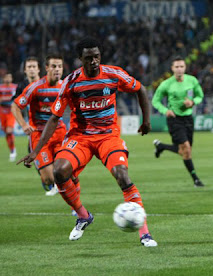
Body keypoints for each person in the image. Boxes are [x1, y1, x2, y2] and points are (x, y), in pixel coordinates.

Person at [17, 37, 157, 247]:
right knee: (59, 172)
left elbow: (140, 89)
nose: (94, 61)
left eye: (97, 56)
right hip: (80, 137)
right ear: (80, 58)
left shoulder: (113, 74)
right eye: (89, 58)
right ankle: (83, 216)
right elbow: (54, 118)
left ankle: (145, 234)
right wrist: (36, 151)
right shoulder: (71, 82)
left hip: (108, 136)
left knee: (122, 175)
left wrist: (146, 121)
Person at [12, 54, 65, 197]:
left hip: (59, 132)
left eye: (59, 66)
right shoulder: (31, 87)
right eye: (54, 66)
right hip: (38, 132)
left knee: (64, 171)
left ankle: (77, 209)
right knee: (50, 177)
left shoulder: (64, 87)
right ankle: (46, 176)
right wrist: (23, 125)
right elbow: (15, 105)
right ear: (47, 68)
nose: (57, 69)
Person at [152, 56, 205, 187]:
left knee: (185, 151)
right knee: (186, 148)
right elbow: (155, 101)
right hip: (174, 119)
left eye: (181, 66)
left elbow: (200, 95)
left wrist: (193, 102)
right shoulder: (166, 84)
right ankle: (196, 180)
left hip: (188, 118)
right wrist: (165, 111)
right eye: (177, 67)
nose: (179, 69)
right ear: (172, 68)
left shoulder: (192, 81)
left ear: (185, 68)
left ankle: (161, 146)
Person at [0, 73, 18, 161]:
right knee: (7, 133)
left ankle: (13, 151)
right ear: (4, 78)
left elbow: (17, 98)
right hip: (2, 113)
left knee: (9, 131)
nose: (8, 79)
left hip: (11, 112)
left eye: (9, 77)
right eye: (6, 77)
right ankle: (12, 149)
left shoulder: (15, 87)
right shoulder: (1, 88)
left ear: (11, 78)